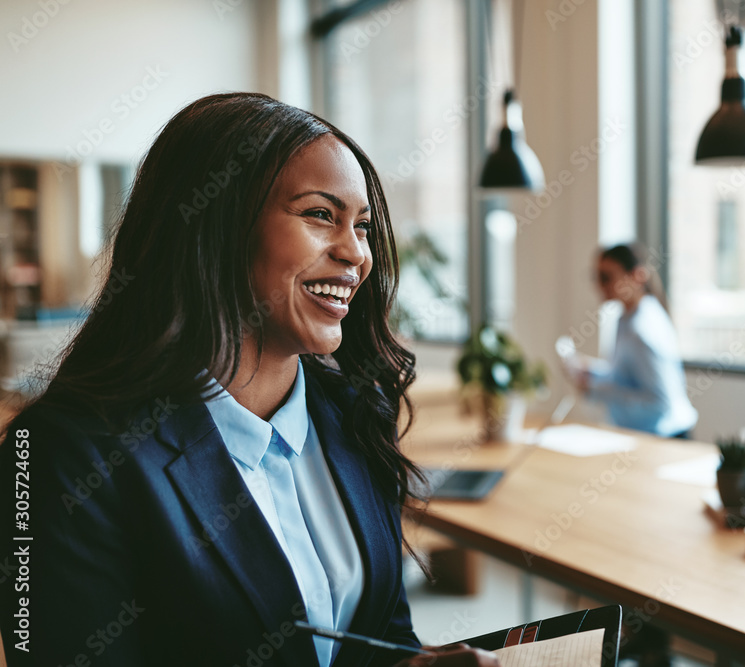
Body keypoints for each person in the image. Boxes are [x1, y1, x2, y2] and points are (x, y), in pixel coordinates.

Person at [0, 93, 497, 667]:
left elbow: (382, 634)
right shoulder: (63, 457)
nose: (355, 253)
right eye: (319, 215)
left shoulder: (355, 412)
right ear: (216, 228)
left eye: (361, 226)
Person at [573, 244, 697, 439]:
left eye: (606, 277)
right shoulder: (627, 318)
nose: (599, 285)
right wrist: (592, 373)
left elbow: (659, 403)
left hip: (667, 439)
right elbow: (627, 379)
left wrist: (596, 389)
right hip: (647, 437)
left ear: (637, 276)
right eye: (596, 277)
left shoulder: (642, 327)